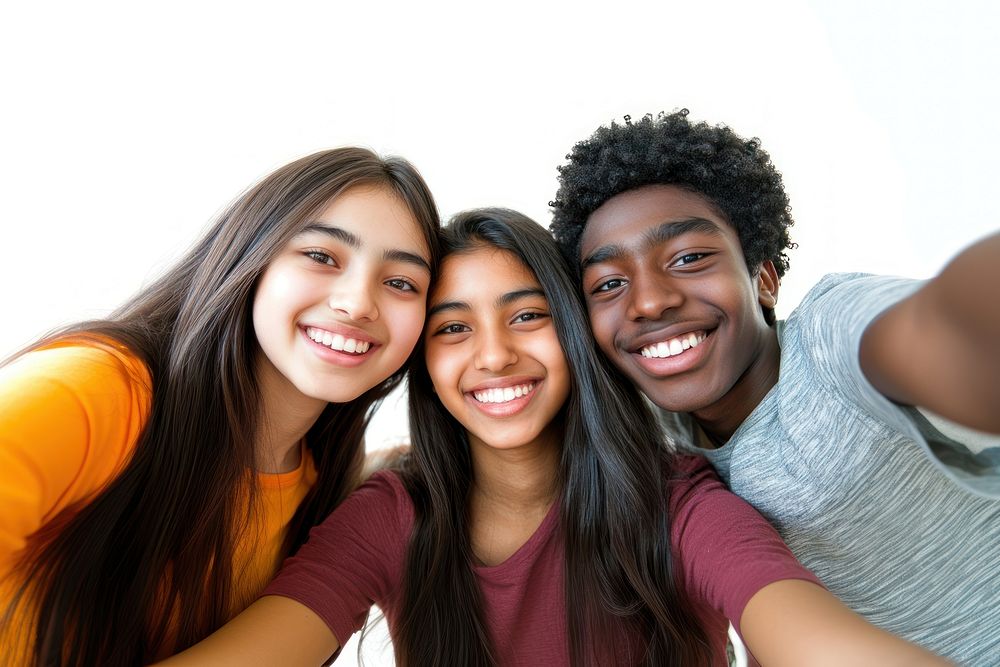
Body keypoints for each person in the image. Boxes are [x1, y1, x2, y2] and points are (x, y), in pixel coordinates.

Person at [159, 208, 945, 666]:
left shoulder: (673, 499)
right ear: (420, 359)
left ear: (572, 331)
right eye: (452, 327)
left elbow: (814, 634)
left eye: (527, 314)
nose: (495, 354)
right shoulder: (394, 514)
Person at [549, 110, 1000, 664]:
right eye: (610, 284)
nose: (649, 301)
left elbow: (941, 326)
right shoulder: (651, 433)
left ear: (763, 279)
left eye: (689, 258)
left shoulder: (827, 340)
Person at [0, 147, 441, 666]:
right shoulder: (97, 391)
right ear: (252, 259)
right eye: (322, 257)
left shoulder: (328, 486)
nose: (357, 302)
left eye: (400, 283)